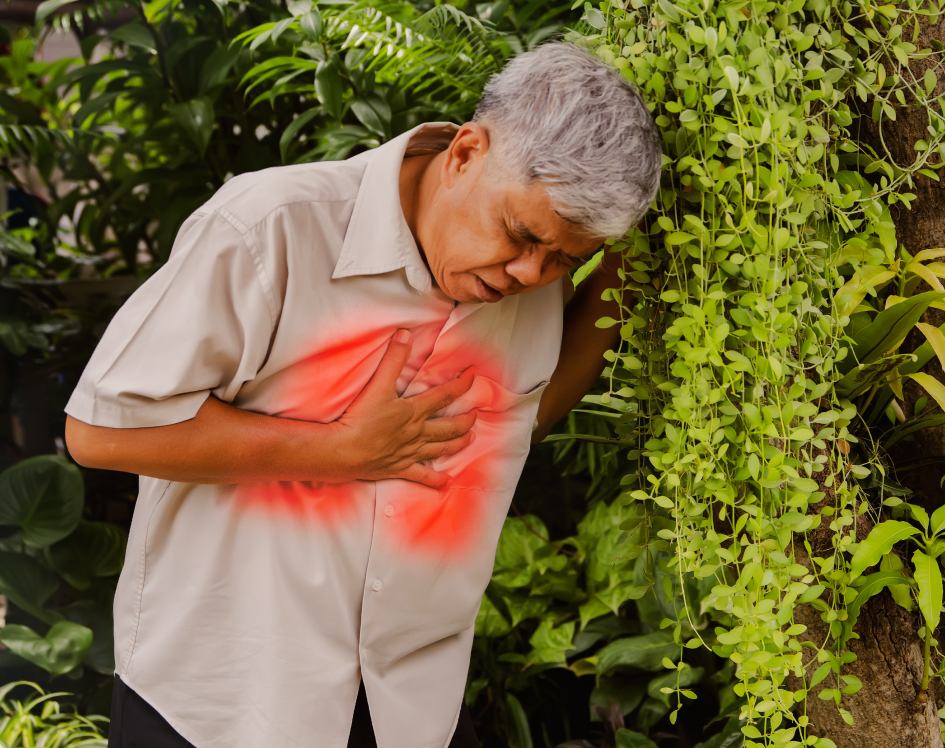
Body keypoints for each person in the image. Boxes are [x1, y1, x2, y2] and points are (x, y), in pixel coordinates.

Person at [63, 42, 661, 748]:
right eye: (521, 235)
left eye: (566, 257)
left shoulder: (527, 280)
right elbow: (101, 431)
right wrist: (341, 450)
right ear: (467, 151)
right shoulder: (271, 228)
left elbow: (515, 419)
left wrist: (628, 263)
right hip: (221, 705)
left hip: (408, 708)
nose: (531, 273)